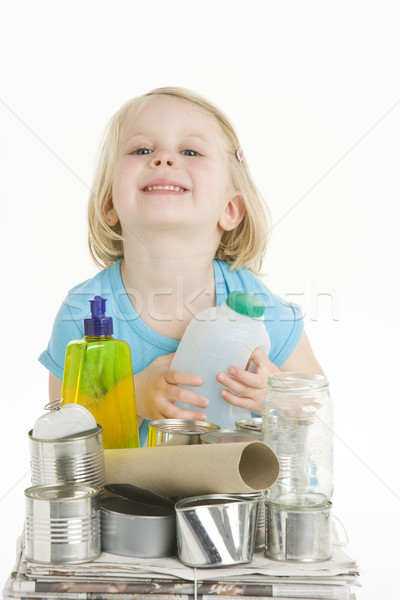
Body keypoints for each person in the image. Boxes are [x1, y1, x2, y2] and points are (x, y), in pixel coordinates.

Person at [39, 87, 324, 447]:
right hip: (127, 503)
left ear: (230, 210)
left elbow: (317, 409)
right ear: (109, 203)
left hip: (235, 499)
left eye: (190, 151)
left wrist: (276, 399)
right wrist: (131, 400)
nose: (163, 159)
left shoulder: (256, 303)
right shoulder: (82, 313)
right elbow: (60, 441)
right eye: (142, 150)